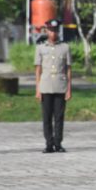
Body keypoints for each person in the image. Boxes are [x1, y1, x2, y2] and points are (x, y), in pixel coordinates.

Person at [34, 19, 72, 153]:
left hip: (60, 85)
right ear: (46, 31)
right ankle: (49, 143)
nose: (53, 33)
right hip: (45, 86)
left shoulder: (65, 47)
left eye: (55, 30)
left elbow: (68, 69)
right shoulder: (41, 47)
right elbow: (38, 69)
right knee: (47, 117)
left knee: (59, 117)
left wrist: (69, 88)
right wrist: (38, 89)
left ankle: (58, 143)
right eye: (51, 30)